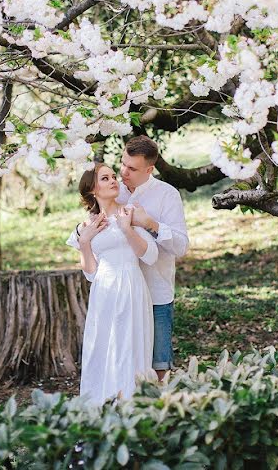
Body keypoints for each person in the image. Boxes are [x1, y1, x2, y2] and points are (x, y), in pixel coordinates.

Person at [67, 163, 159, 405]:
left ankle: (131, 406)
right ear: (92, 189)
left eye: (113, 176)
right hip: (103, 291)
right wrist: (85, 243)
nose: (113, 181)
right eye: (104, 178)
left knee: (130, 346)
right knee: (102, 347)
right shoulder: (86, 226)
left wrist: (127, 230)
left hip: (131, 285)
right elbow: (90, 274)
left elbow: (150, 255)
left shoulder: (131, 213)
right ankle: (100, 408)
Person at [117, 135, 189, 381]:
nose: (124, 172)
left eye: (132, 168)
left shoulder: (167, 195)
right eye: (123, 163)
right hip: (121, 294)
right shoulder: (112, 191)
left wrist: (150, 223)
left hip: (155, 292)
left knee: (158, 364)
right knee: (124, 360)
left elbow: (181, 246)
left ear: (149, 169)